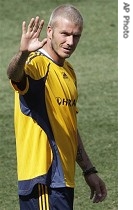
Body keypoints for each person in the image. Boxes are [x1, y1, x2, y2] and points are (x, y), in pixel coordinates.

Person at [7, 4, 107, 210]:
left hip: (62, 180)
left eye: (76, 36)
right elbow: (14, 75)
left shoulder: (68, 71)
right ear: (50, 31)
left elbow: (68, 126)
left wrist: (88, 170)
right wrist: (23, 53)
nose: (70, 42)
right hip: (42, 179)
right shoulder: (36, 64)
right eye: (65, 34)